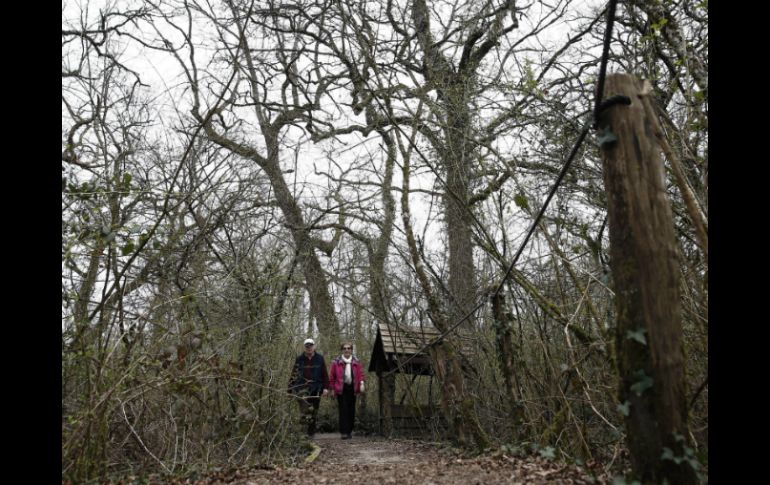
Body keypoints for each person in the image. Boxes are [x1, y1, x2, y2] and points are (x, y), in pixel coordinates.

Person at [288, 338, 329, 437]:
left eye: (311, 346)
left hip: (316, 388)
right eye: (307, 346)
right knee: (304, 410)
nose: (309, 348)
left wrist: (326, 388)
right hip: (302, 388)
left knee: (314, 410)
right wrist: (289, 389)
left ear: (314, 347)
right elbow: (294, 374)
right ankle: (303, 433)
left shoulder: (320, 358)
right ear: (304, 347)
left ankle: (311, 434)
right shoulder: (299, 359)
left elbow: (324, 374)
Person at [328, 341, 365, 439]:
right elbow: (332, 377)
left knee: (351, 410)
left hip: (352, 389)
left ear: (351, 350)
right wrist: (331, 389)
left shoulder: (356, 361)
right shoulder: (336, 362)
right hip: (341, 389)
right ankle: (344, 432)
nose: (347, 350)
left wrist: (361, 383)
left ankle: (349, 431)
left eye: (349, 348)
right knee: (343, 410)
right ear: (342, 350)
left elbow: (361, 374)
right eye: (344, 348)